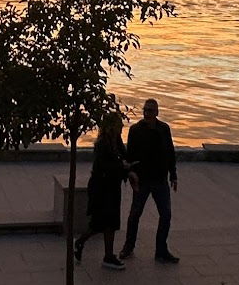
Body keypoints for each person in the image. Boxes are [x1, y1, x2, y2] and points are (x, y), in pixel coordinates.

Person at [121, 97, 179, 263]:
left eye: (150, 111)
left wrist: (173, 174)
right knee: (135, 214)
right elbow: (130, 155)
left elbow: (170, 152)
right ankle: (128, 246)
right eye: (145, 110)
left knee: (166, 215)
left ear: (157, 112)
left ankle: (161, 250)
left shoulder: (164, 129)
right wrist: (131, 175)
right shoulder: (135, 130)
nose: (147, 113)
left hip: (160, 180)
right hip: (143, 180)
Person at [74, 110, 130, 270]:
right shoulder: (102, 145)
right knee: (102, 222)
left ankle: (101, 251)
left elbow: (124, 156)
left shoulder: (116, 141)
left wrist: (128, 166)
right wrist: (122, 166)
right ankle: (106, 255)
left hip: (113, 186)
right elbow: (104, 167)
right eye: (119, 125)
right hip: (102, 187)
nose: (121, 128)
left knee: (108, 222)